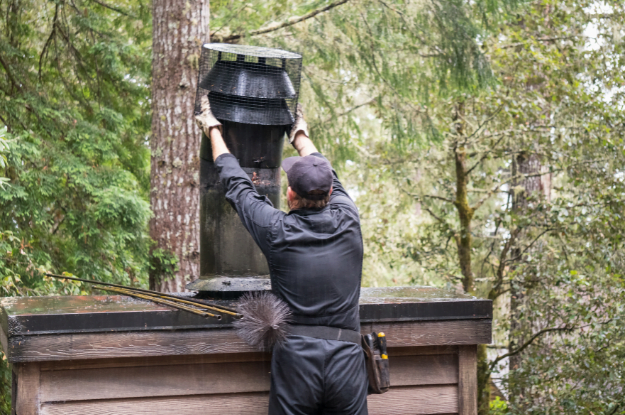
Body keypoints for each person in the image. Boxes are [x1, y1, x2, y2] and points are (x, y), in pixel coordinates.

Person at [195, 96, 368, 415]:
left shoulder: (277, 229)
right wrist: (299, 133)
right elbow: (326, 170)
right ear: (331, 193)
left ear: (289, 195)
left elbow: (237, 185)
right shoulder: (348, 218)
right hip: (347, 358)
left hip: (297, 360)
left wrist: (213, 129)